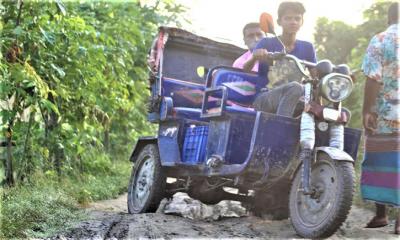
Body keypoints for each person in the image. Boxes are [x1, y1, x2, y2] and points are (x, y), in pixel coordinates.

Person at [360, 2, 399, 235]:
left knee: (380, 159)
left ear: (388, 18)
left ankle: (382, 214)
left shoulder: (381, 39)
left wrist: (367, 110)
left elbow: (373, 77)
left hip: (385, 113)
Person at [243, 1, 317, 117]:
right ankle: (280, 127)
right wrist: (254, 57)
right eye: (288, 18)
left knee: (328, 112)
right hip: (264, 98)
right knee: (296, 87)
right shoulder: (266, 42)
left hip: (294, 98)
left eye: (297, 19)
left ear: (302, 22)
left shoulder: (308, 47)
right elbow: (245, 68)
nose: (293, 22)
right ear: (279, 22)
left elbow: (316, 79)